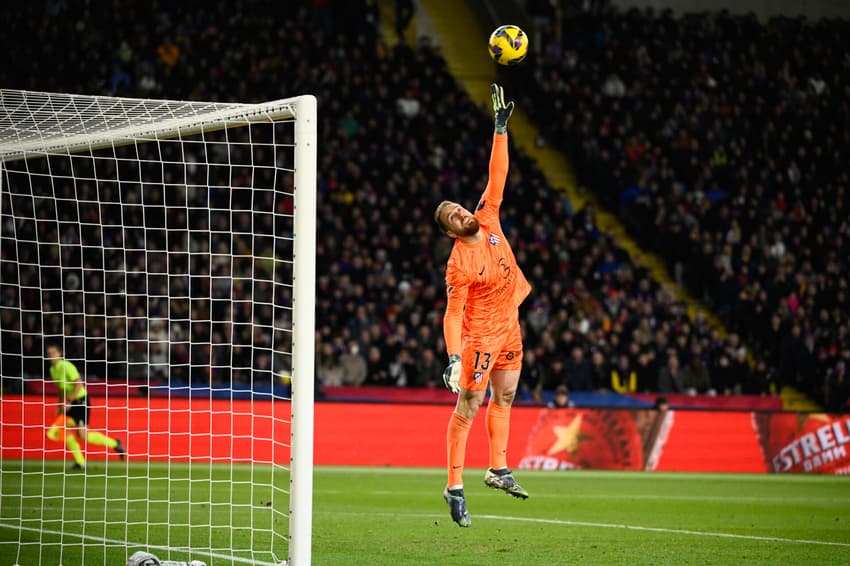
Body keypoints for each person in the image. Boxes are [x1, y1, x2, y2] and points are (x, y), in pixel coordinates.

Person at [434, 84, 531, 528]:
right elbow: (452, 314)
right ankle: (454, 483)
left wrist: (499, 129)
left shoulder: (488, 216)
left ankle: (498, 469)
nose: (460, 212)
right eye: (452, 216)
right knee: (469, 405)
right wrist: (454, 356)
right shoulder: (459, 263)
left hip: (509, 323)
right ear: (451, 232)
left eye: (457, 207)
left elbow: (498, 176)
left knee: (506, 394)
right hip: (479, 336)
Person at [44, 343, 124, 470]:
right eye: (49, 354)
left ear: (60, 354)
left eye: (53, 353)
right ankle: (81, 462)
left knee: (82, 435)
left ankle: (114, 443)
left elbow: (79, 384)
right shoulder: (53, 370)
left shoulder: (67, 366)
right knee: (62, 430)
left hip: (81, 401)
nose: (51, 356)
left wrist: (69, 401)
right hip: (71, 402)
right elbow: (60, 389)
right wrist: (60, 404)